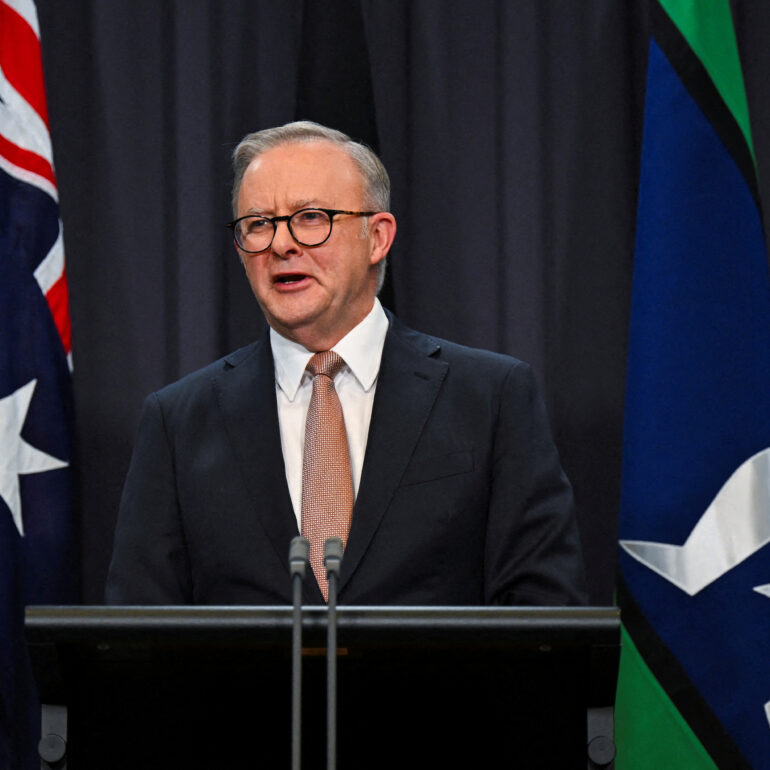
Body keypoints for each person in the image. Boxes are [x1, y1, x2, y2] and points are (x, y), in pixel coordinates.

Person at [106, 121, 586, 606]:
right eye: (258, 224)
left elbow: (543, 608)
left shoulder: (491, 398)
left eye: (311, 217)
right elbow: (140, 626)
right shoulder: (178, 422)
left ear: (377, 237)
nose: (281, 244)